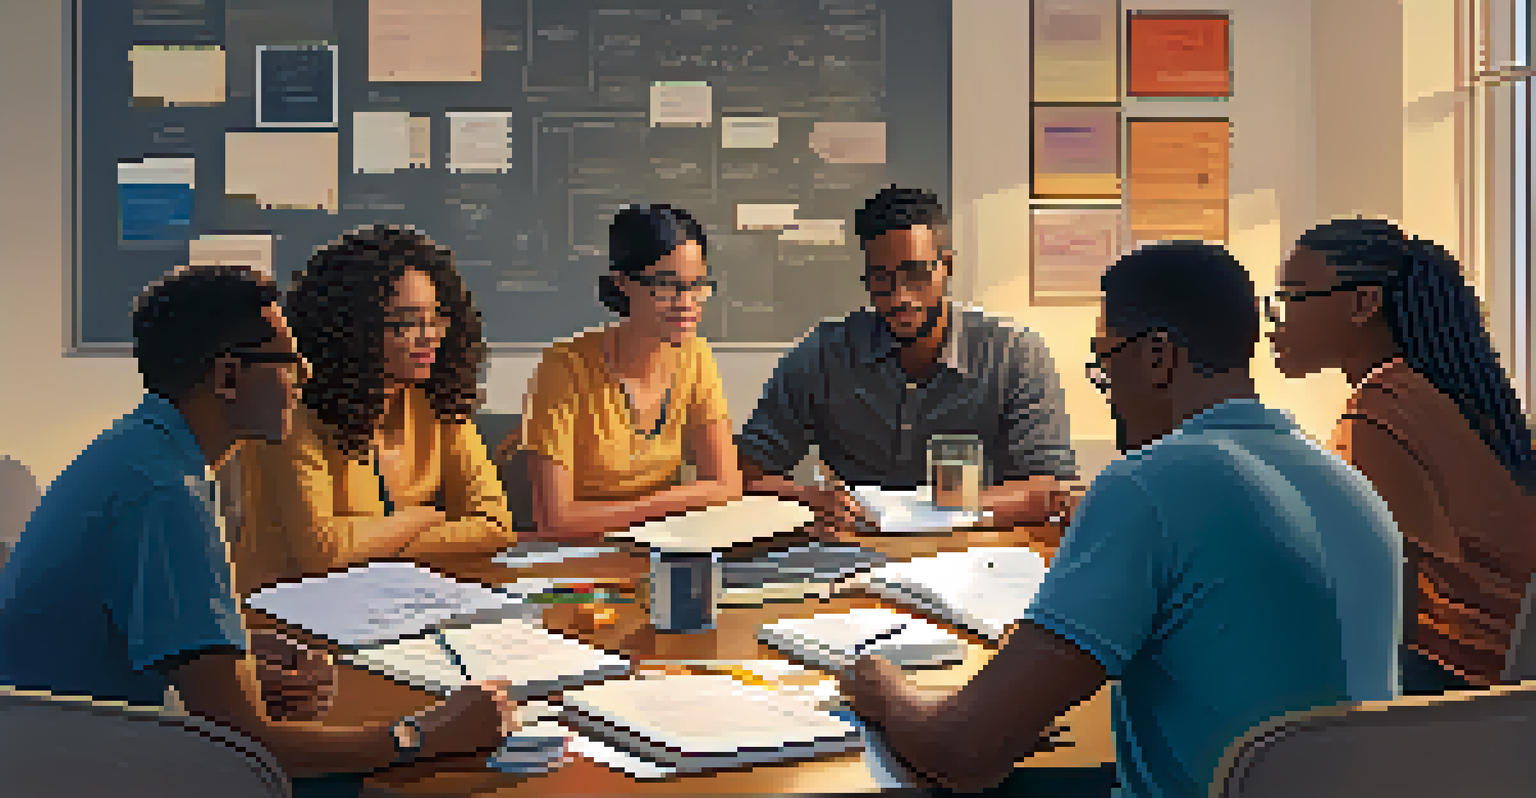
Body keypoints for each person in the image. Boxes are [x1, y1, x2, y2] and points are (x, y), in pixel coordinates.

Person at [839, 242, 1403, 797]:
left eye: (1105, 365)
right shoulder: (1353, 489)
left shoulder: (1148, 483)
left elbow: (963, 750)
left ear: (1158, 357)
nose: (1108, 395)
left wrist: (881, 684)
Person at [0, 264, 510, 784]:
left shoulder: (140, 451)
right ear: (227, 377)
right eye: (288, 360)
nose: (306, 375)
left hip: (53, 749)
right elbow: (246, 748)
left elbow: (130, 632)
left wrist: (235, 649)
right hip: (91, 771)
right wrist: (425, 734)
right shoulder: (169, 494)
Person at [1268, 217, 1536, 694]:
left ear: (1362, 304)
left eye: (1291, 297)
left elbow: (1376, 583)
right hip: (1507, 676)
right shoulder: (1439, 392)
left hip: (1461, 678)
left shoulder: (1380, 411)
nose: (1276, 320)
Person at [737, 186, 1080, 539]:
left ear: (946, 266)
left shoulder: (1013, 352)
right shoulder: (825, 353)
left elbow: (1053, 488)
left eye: (915, 274)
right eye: (881, 279)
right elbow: (745, 472)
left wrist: (933, 513)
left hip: (976, 556)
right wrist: (809, 498)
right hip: (857, 558)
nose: (900, 297)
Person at [229, 225, 514, 598]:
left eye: (436, 318)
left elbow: (494, 524)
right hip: (288, 614)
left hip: (394, 602)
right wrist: (425, 517)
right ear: (349, 329)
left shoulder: (436, 403)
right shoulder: (290, 414)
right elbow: (324, 554)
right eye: (407, 322)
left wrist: (374, 545)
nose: (428, 335)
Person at [521, 204, 742, 541]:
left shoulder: (696, 356)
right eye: (667, 286)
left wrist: (640, 514)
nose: (686, 302)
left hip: (660, 548)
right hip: (579, 554)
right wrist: (682, 501)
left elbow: (727, 486)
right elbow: (556, 520)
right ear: (621, 283)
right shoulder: (564, 368)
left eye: (697, 285)